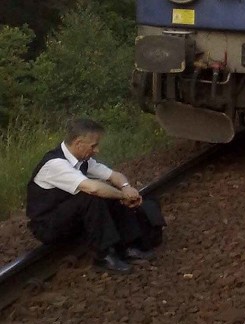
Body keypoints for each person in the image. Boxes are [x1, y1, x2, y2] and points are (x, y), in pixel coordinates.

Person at [26, 117, 165, 274]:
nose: (97, 150)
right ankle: (103, 256)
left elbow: (114, 175)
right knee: (92, 194)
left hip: (69, 217)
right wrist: (122, 196)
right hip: (48, 225)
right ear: (78, 143)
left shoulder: (83, 160)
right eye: (94, 146)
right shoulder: (55, 164)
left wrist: (126, 188)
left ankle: (127, 247)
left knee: (107, 191)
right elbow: (93, 188)